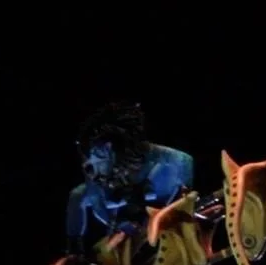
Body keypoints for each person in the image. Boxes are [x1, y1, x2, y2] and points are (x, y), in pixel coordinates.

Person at [64, 102, 195, 253]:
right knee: (77, 195)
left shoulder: (163, 158)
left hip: (159, 213)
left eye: (94, 159)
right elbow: (92, 200)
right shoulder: (98, 177)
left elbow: (186, 162)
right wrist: (117, 222)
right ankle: (74, 252)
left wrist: (181, 204)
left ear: (106, 149)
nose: (94, 168)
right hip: (124, 226)